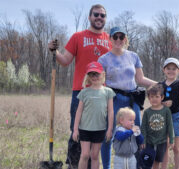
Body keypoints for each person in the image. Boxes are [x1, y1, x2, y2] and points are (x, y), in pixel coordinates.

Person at [48, 4, 112, 169]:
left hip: (102, 93)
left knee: (98, 131)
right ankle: (74, 165)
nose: (99, 17)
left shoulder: (110, 40)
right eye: (96, 14)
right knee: (77, 131)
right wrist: (54, 52)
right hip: (81, 91)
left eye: (102, 15)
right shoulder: (78, 36)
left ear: (105, 19)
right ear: (90, 17)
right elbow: (65, 61)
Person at [98, 26, 156, 169]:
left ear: (125, 39)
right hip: (114, 100)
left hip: (132, 100)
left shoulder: (133, 56)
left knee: (136, 132)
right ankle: (106, 166)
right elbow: (98, 81)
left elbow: (140, 78)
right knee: (109, 134)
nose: (118, 39)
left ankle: (137, 165)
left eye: (121, 37)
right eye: (115, 37)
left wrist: (160, 84)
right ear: (110, 39)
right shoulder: (103, 59)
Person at [72, 61, 114, 169]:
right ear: (88, 77)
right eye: (91, 74)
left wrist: (109, 129)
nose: (94, 77)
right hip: (85, 128)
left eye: (97, 74)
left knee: (95, 155)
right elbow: (79, 112)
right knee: (85, 155)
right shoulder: (84, 92)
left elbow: (110, 112)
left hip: (99, 129)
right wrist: (75, 129)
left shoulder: (108, 92)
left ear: (102, 74)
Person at [141, 84, 174, 169]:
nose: (154, 99)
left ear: (162, 97)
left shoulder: (166, 110)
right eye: (152, 96)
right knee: (148, 161)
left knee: (157, 162)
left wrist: (171, 139)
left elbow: (170, 125)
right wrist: (143, 140)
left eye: (157, 96)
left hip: (161, 141)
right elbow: (143, 127)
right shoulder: (147, 112)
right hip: (149, 141)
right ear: (148, 98)